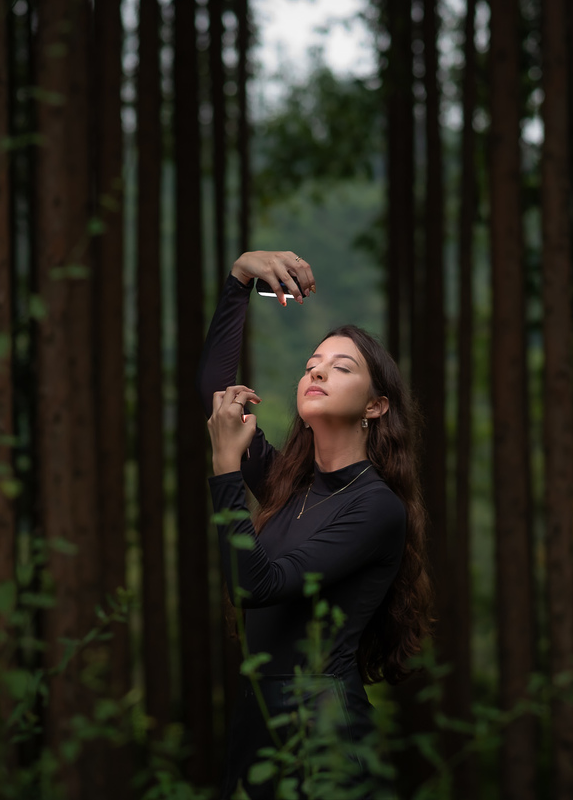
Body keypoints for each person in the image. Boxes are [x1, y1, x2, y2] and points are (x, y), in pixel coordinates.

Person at [198, 250, 433, 800]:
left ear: (376, 407)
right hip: (256, 717)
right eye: (311, 364)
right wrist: (238, 278)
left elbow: (258, 584)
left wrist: (226, 471)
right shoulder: (287, 482)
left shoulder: (376, 509)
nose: (318, 370)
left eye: (341, 367)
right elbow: (212, 387)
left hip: (322, 724)